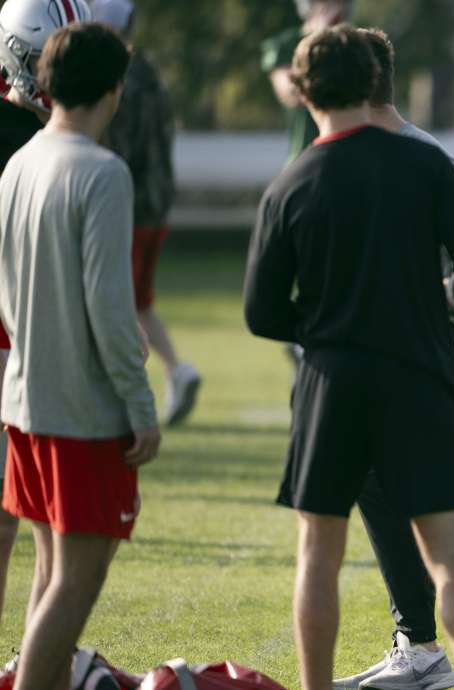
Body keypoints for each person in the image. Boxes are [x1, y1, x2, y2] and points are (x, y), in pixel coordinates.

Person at [243, 26, 454, 690]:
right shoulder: (428, 164)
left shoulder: (291, 184)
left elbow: (261, 313)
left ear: (301, 92)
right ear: (373, 84)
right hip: (418, 373)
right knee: (449, 557)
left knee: (317, 556)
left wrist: (325, 324)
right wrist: (432, 308)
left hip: (332, 381)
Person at [329, 27, 454, 690]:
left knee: (433, 527)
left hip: (423, 369)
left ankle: (438, 659)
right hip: (374, 369)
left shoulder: (424, 159)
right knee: (378, 493)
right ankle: (418, 646)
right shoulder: (351, 154)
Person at [0, 20, 160, 690]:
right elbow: (109, 309)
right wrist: (141, 404)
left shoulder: (19, 161)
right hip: (81, 413)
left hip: (23, 403)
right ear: (114, 87)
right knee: (75, 584)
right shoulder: (101, 171)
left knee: (48, 574)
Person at [0, 0, 92, 639]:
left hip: (31, 342)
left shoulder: (63, 130)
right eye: (47, 57)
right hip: (12, 340)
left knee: (30, 517)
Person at [95, 0, 202, 427]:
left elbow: (115, 147)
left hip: (130, 206)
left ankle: (139, 390)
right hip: (156, 204)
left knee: (121, 301)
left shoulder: (117, 78)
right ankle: (178, 370)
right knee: (139, 300)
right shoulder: (149, 71)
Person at [260, 0, 353, 166]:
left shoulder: (355, 43)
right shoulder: (286, 45)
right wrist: (320, 42)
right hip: (306, 155)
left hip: (350, 155)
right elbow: (291, 93)